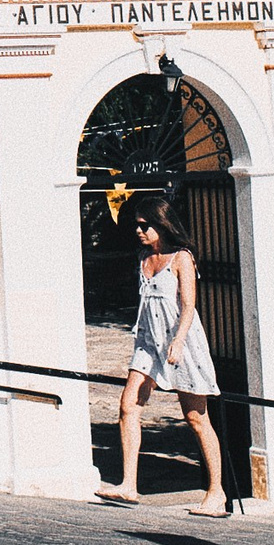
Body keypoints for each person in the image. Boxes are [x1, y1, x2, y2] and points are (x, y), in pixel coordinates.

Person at [96, 195, 228, 516]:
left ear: (162, 224)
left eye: (146, 225)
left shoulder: (182, 258)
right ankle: (129, 484)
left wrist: (179, 340)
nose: (139, 231)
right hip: (148, 342)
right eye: (136, 226)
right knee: (128, 405)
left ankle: (217, 492)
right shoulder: (143, 257)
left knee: (196, 417)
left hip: (180, 341)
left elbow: (188, 305)